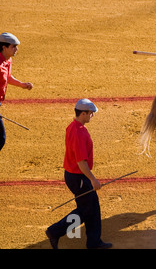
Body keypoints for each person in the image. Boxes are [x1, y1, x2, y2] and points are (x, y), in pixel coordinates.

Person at [46, 99, 112, 249]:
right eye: (90, 113)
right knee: (86, 210)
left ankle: (94, 242)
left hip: (73, 175)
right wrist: (93, 179)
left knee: (91, 207)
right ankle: (55, 231)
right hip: (79, 177)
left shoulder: (72, 126)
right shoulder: (80, 132)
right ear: (83, 113)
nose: (92, 116)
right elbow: (81, 162)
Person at [0, 32, 33, 151]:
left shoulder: (8, 60)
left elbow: (7, 77)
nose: (16, 49)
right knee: (0, 138)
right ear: (4, 47)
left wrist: (22, 85)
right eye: (13, 46)